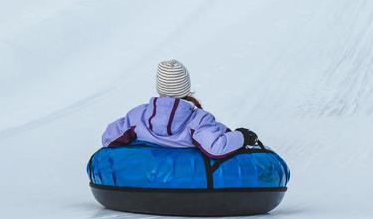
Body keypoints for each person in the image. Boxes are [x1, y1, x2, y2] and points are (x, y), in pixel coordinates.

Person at [102, 60, 259, 159]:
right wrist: (242, 136)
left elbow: (108, 138)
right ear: (186, 88)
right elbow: (216, 148)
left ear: (159, 87)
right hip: (189, 185)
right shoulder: (198, 120)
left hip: (148, 180)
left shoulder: (138, 115)